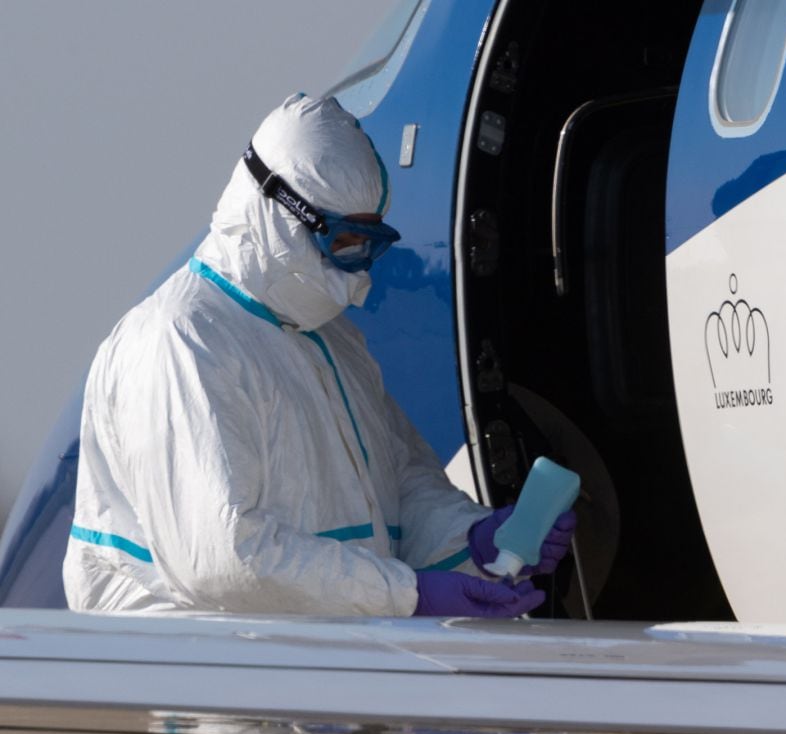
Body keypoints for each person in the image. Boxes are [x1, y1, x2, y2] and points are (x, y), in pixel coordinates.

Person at [62, 94, 576, 617]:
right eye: (345, 242)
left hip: (310, 666)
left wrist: (473, 539)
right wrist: (408, 596)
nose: (358, 278)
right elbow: (223, 557)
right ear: (279, 214)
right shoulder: (182, 340)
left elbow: (397, 482)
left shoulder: (333, 343)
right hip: (196, 682)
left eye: (370, 246)